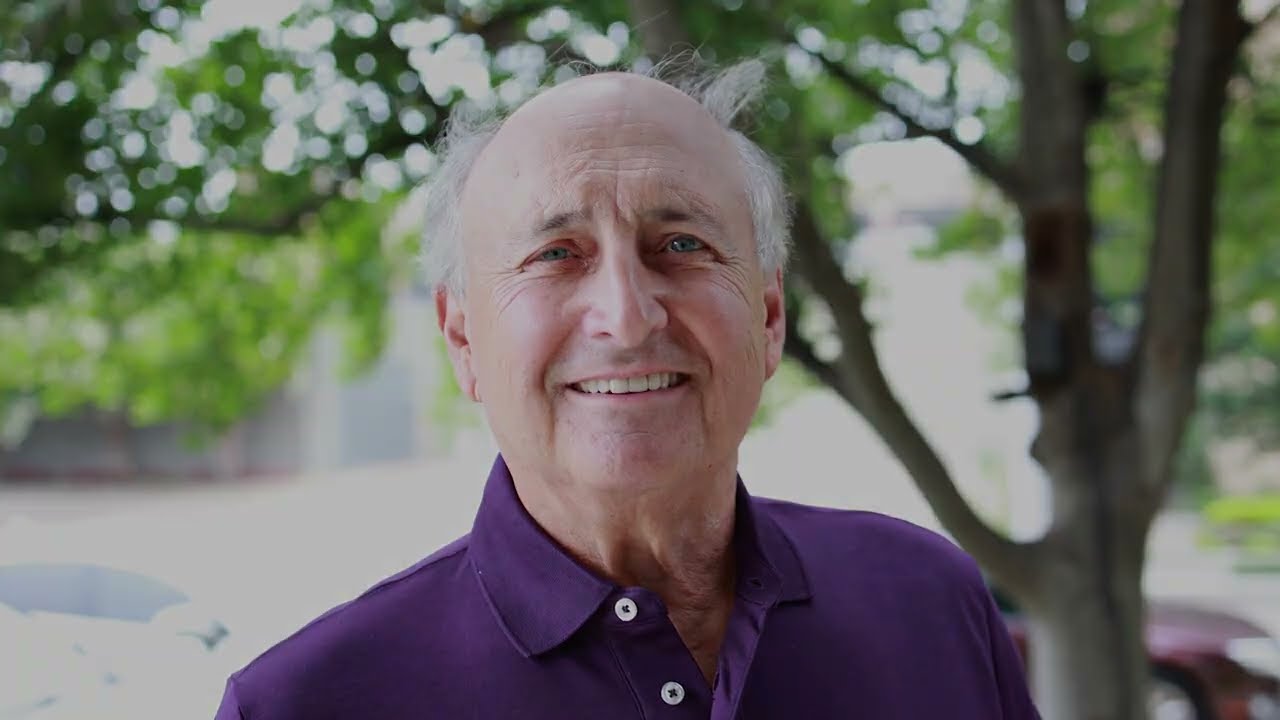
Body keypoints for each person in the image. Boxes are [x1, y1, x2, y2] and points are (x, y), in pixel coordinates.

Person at [213, 57, 1040, 719]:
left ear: (769, 316)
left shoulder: (932, 602)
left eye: (680, 244)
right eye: (554, 254)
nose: (628, 315)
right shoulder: (305, 703)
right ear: (463, 339)